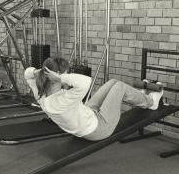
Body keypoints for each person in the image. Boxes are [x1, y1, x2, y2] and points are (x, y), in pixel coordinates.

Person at [24, 57, 164, 141]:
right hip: (99, 128)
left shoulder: (41, 95)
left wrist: (39, 71)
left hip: (88, 115)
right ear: (57, 75)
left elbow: (27, 74)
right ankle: (152, 103)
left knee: (113, 82)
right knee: (120, 87)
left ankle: (141, 97)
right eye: (67, 73)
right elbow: (86, 81)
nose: (68, 75)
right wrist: (61, 78)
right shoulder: (63, 100)